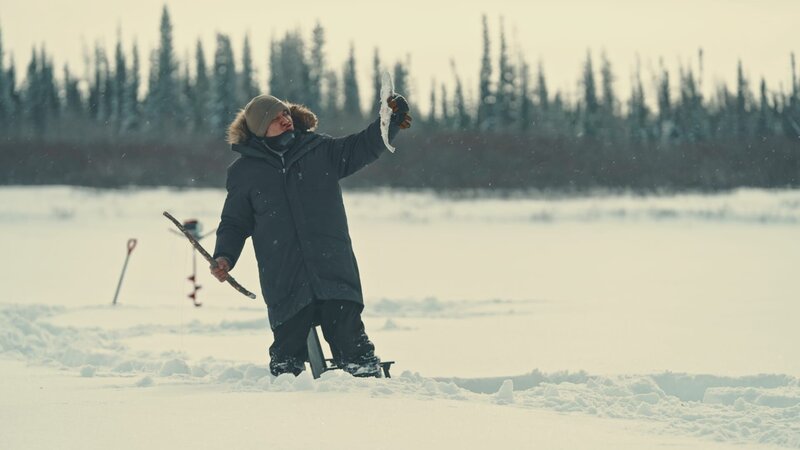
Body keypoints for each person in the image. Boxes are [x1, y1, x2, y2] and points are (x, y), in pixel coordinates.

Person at [210, 93, 412, 377]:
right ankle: (290, 413)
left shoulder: (320, 150)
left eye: (286, 114)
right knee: (286, 361)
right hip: (284, 276)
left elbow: (363, 146)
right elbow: (234, 222)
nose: (285, 119)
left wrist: (389, 122)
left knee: (352, 344)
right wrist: (225, 256)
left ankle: (370, 395)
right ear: (259, 128)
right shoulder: (244, 172)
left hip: (332, 267)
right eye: (276, 118)